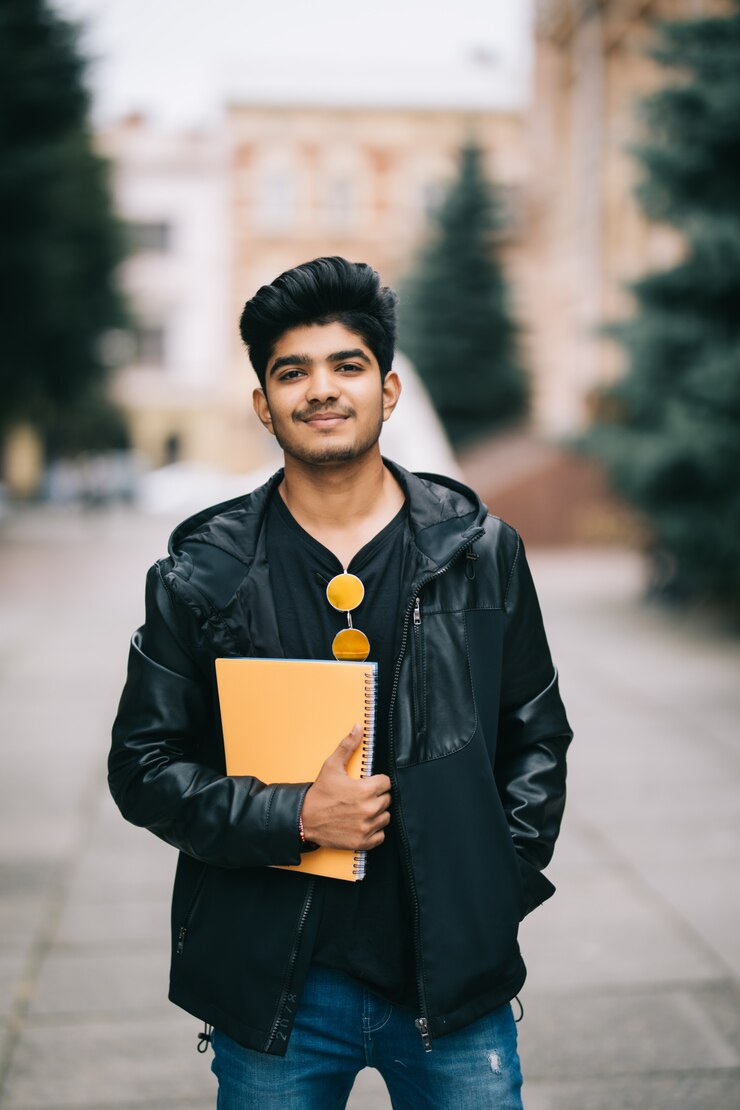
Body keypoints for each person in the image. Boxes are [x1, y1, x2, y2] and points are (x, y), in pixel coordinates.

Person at [109, 256, 572, 1109]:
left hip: (451, 984)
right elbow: (141, 766)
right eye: (293, 372)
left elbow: (535, 732)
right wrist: (295, 816)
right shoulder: (200, 572)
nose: (321, 390)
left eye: (346, 366)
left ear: (388, 391)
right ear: (264, 404)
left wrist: (496, 887)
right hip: (278, 985)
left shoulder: (480, 550)